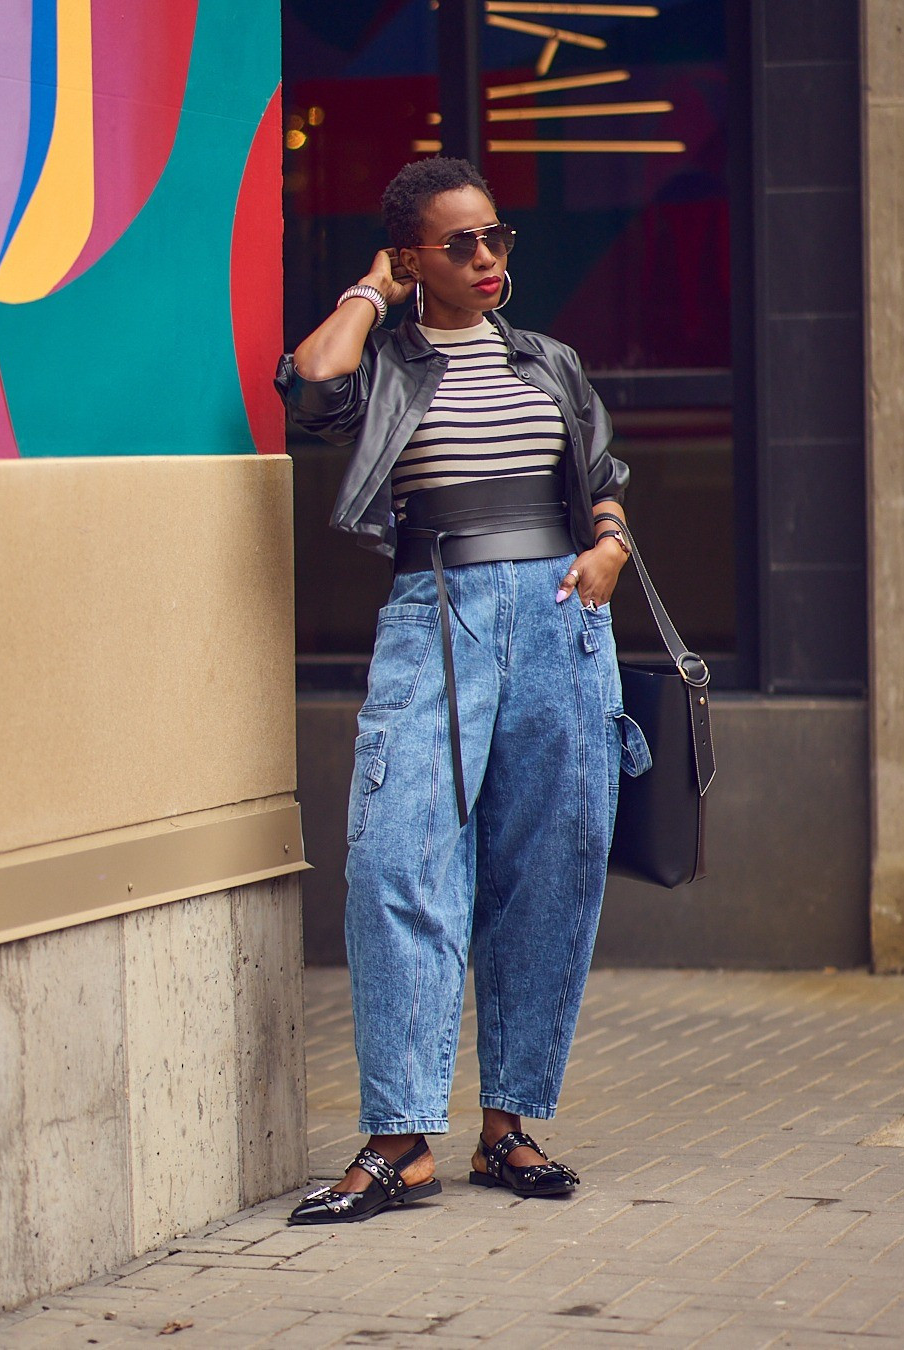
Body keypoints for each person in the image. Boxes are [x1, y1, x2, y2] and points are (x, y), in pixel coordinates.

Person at [275, 157, 650, 1225]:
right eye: (461, 245)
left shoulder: (550, 361)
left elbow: (604, 485)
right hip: (436, 610)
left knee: (549, 872)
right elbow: (309, 388)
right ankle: (400, 1141)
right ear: (412, 258)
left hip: (563, 617)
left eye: (497, 239)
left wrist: (612, 552)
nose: (488, 259)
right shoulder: (385, 362)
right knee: (398, 859)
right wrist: (368, 291)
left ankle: (510, 1127)